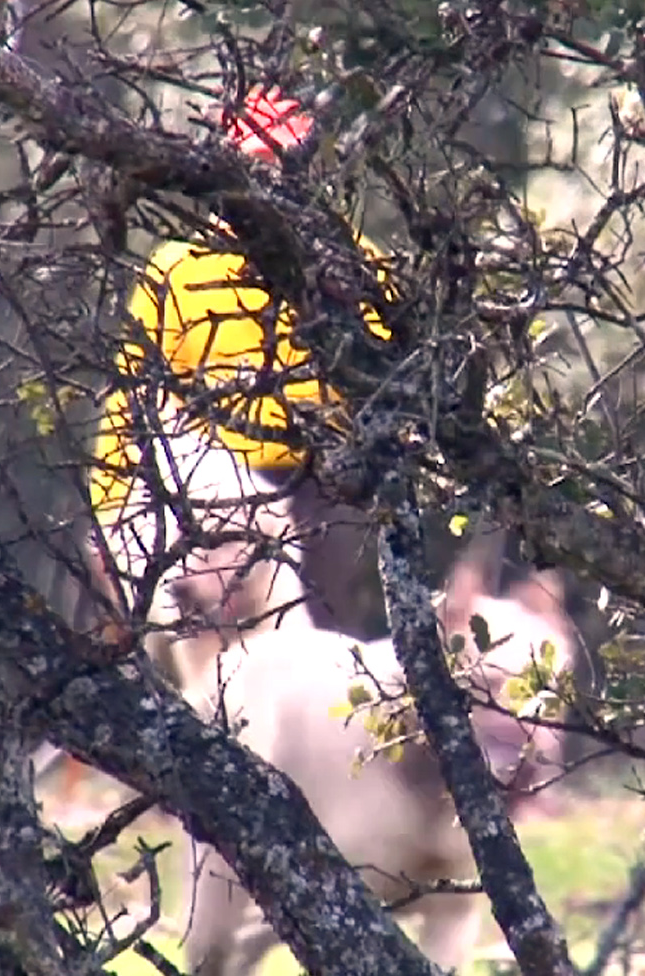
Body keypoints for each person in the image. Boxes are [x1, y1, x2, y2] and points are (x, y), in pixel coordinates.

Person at [86, 89, 390, 641]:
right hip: (212, 506)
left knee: (328, 660)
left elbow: (402, 399)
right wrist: (109, 522)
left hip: (327, 490)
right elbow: (130, 403)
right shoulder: (178, 269)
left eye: (284, 168)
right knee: (198, 663)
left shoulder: (360, 265)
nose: (272, 187)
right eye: (258, 170)